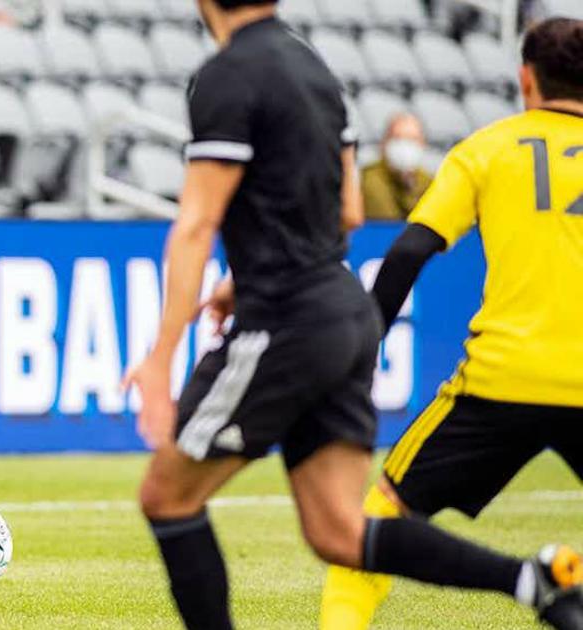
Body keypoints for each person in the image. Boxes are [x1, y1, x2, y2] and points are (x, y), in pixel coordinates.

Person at [120, 2, 583, 629]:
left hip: (284, 320)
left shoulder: (226, 74)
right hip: (342, 314)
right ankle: (530, 580)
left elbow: (198, 221)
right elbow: (348, 210)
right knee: (339, 531)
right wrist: (250, 270)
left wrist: (158, 356)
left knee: (166, 497)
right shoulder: (316, 70)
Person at [321, 17, 583, 630]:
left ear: (526, 79)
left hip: (501, 383)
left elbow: (409, 251)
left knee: (375, 521)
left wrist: (361, 352)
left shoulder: (487, 148)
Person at [362, 113, 433, 221]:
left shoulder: (429, 182)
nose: (405, 145)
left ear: (422, 144)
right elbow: (386, 220)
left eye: (412, 139)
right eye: (398, 138)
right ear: (384, 143)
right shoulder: (369, 180)